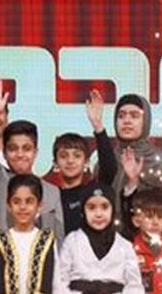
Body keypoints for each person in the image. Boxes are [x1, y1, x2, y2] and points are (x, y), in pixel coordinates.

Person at [44, 90, 118, 234]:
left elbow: (109, 168)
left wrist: (98, 126)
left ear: (87, 163)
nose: (70, 161)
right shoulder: (49, 196)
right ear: (55, 164)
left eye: (77, 156)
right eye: (64, 156)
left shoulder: (93, 191)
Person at [112, 94, 162, 201]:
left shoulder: (156, 159)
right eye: (121, 116)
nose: (127, 121)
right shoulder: (107, 159)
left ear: (145, 121)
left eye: (134, 116)